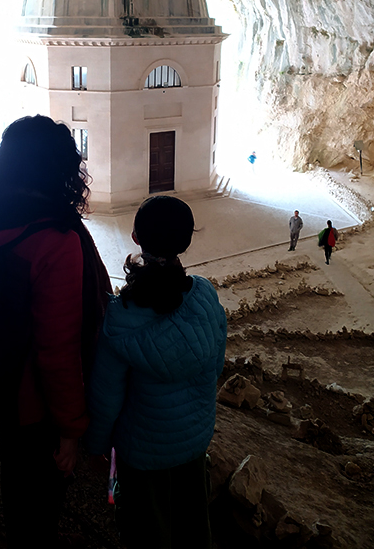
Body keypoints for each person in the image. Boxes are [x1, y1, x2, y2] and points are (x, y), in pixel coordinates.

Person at [0, 115, 111, 549]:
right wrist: (71, 429)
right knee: (42, 487)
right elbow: (57, 350)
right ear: (62, 170)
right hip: (32, 399)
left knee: (16, 474)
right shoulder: (54, 240)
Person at [86, 196, 227, 549]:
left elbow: (107, 397)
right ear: (186, 241)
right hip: (194, 440)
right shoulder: (205, 297)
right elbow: (216, 362)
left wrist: (97, 445)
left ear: (135, 237)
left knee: (147, 531)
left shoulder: (121, 317)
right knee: (193, 523)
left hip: (143, 451)